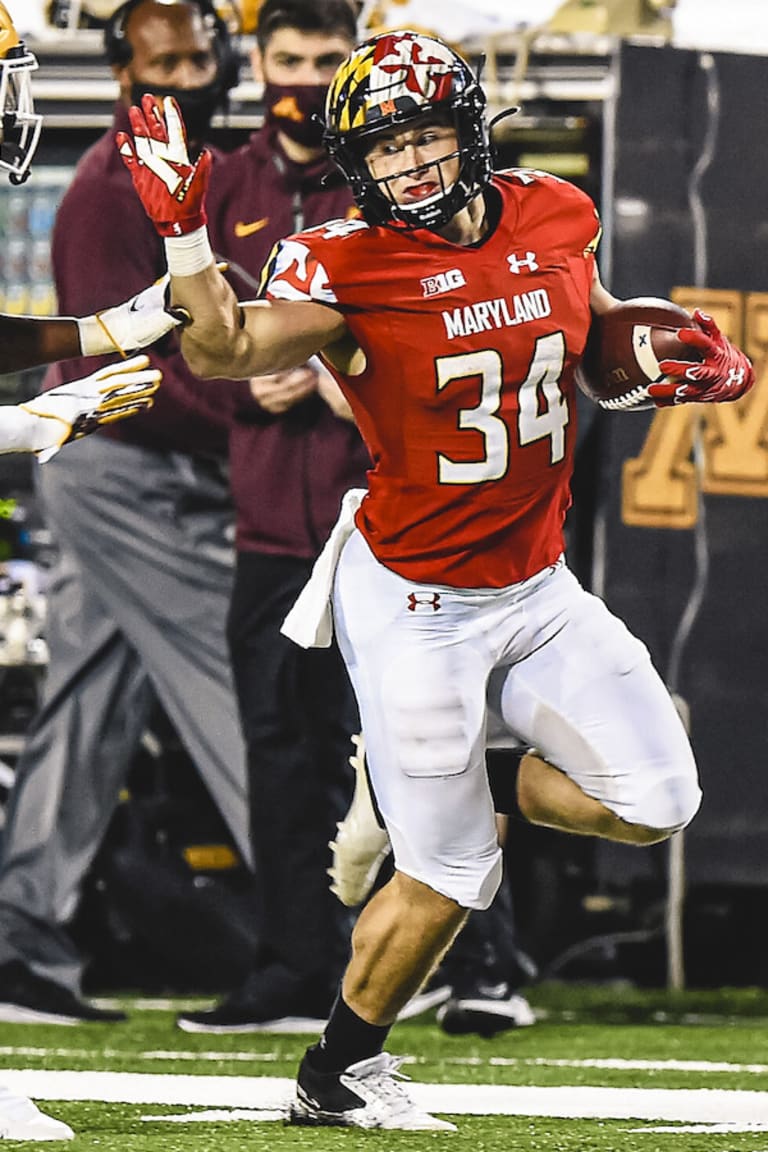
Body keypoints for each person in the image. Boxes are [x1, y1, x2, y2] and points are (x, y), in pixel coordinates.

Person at [120, 28, 751, 1130]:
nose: (410, 165)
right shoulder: (342, 262)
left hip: (537, 584)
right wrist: (182, 233)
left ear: (468, 130)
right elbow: (222, 351)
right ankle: (336, 1074)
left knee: (660, 799)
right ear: (354, 162)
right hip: (416, 597)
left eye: (425, 138)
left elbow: (590, 334)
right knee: (452, 879)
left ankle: (481, 789)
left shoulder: (555, 210)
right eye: (386, 147)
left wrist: (655, 358)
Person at [0, 0, 251, 1029]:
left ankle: (21, 938)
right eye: (167, 61)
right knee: (242, 677)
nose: (190, 76)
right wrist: (257, 412)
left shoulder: (191, 165)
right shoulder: (115, 184)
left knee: (90, 701)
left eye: (201, 56)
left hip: (104, 444)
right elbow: (168, 382)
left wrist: (108, 332)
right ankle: (346, 922)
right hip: (126, 466)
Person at [175, 0, 371, 1034]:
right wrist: (244, 390)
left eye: (326, 58)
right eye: (288, 57)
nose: (304, 74)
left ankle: (484, 965)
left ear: (355, 60)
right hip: (266, 529)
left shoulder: (389, 188)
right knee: (280, 753)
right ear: (254, 61)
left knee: (406, 748)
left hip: (378, 526)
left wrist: (342, 374)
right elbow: (173, 353)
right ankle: (297, 965)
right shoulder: (224, 186)